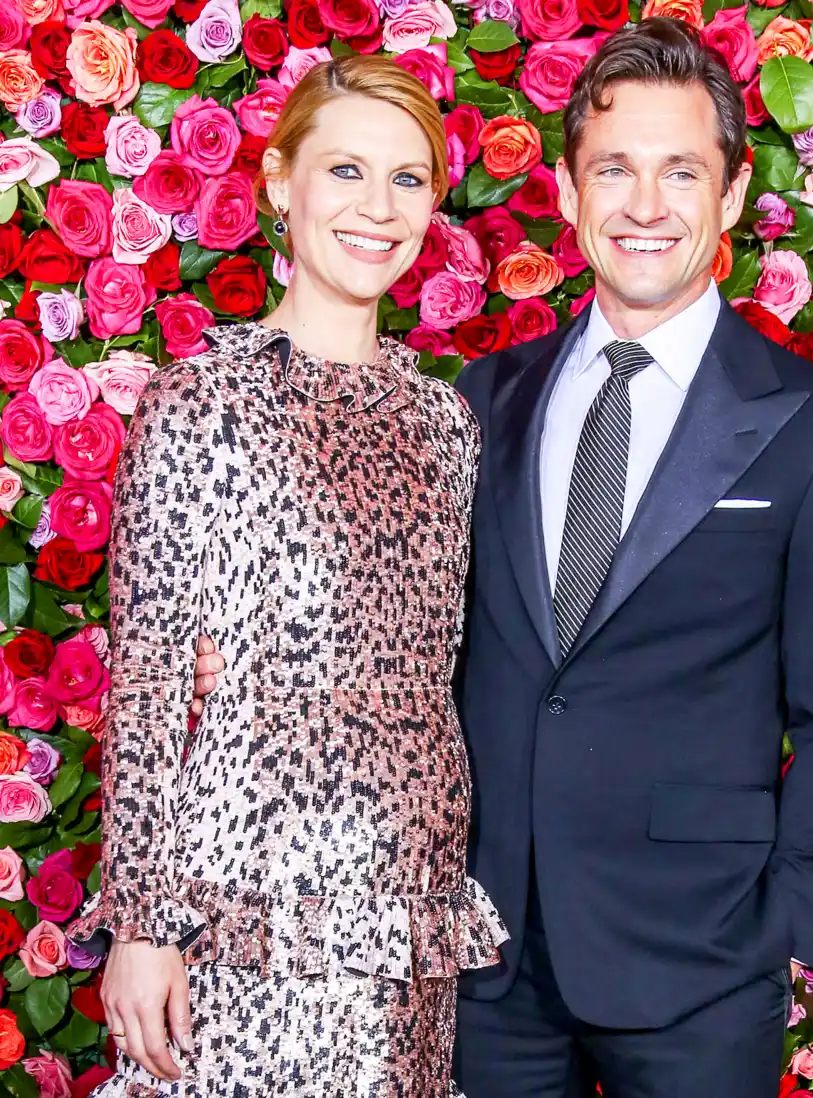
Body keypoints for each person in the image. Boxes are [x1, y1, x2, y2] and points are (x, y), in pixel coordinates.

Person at [194, 18, 813, 1098]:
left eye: (680, 171)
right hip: (487, 957)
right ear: (569, 192)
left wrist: (795, 931)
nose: (645, 206)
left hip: (703, 963)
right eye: (613, 169)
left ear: (732, 188)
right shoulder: (485, 399)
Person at [67, 55, 507, 1098]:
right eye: (346, 171)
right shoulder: (199, 404)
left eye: (407, 180)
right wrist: (142, 924)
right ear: (278, 181)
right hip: (239, 888)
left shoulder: (444, 423)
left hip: (409, 883)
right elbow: (149, 682)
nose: (377, 207)